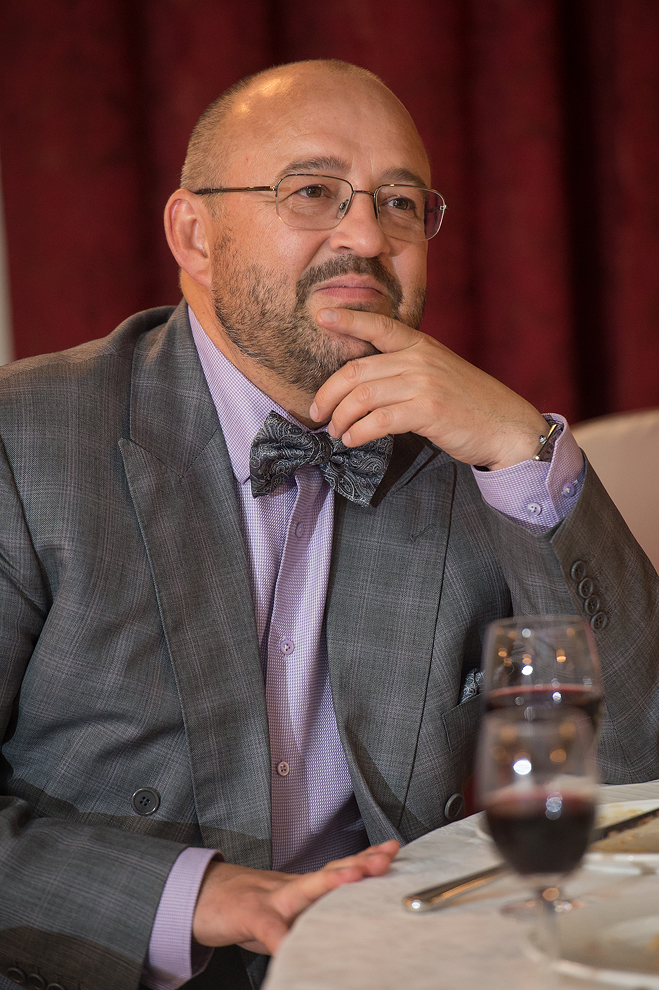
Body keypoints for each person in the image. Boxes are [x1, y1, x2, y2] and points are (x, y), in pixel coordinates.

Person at [0, 58, 657, 990]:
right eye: (312, 191)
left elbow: (639, 765)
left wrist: (520, 448)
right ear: (194, 233)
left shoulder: (464, 453)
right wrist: (198, 897)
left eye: (400, 203)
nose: (367, 236)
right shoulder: (24, 439)